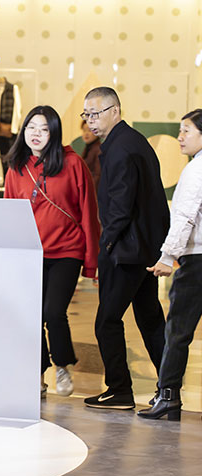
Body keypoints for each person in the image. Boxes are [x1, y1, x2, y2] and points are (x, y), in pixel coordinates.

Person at [3, 106, 100, 398]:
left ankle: (62, 365)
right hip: (30, 254)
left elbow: (88, 212)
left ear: (54, 133)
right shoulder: (16, 167)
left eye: (44, 129)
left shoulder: (73, 164)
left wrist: (92, 263)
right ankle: (38, 373)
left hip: (67, 251)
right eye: (31, 127)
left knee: (54, 312)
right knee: (31, 316)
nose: (36, 134)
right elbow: (10, 213)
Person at [81, 86, 169, 410]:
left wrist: (106, 245)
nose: (90, 120)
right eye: (86, 114)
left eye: (95, 113)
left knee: (107, 321)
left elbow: (120, 207)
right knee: (150, 319)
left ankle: (119, 389)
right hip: (143, 248)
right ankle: (169, 388)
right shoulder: (132, 142)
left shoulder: (120, 149)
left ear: (115, 111)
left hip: (126, 251)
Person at [138, 109, 202, 421]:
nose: (180, 137)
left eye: (186, 130)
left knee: (177, 330)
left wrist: (167, 257)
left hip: (196, 261)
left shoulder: (196, 169)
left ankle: (168, 396)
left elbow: (185, 217)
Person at [79, 119, 101, 192]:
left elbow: (98, 175)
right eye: (84, 130)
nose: (86, 134)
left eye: (89, 130)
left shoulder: (98, 150)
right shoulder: (87, 148)